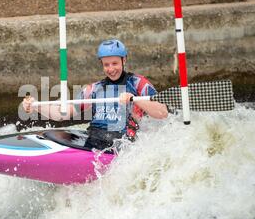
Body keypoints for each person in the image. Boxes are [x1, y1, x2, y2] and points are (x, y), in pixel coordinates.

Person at [22, 39, 168, 150]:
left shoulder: (138, 83)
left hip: (122, 142)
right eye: (106, 65)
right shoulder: (94, 89)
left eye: (114, 63)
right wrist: (35, 106)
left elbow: (162, 112)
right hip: (95, 138)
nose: (111, 69)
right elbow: (62, 114)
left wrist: (134, 99)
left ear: (124, 60)